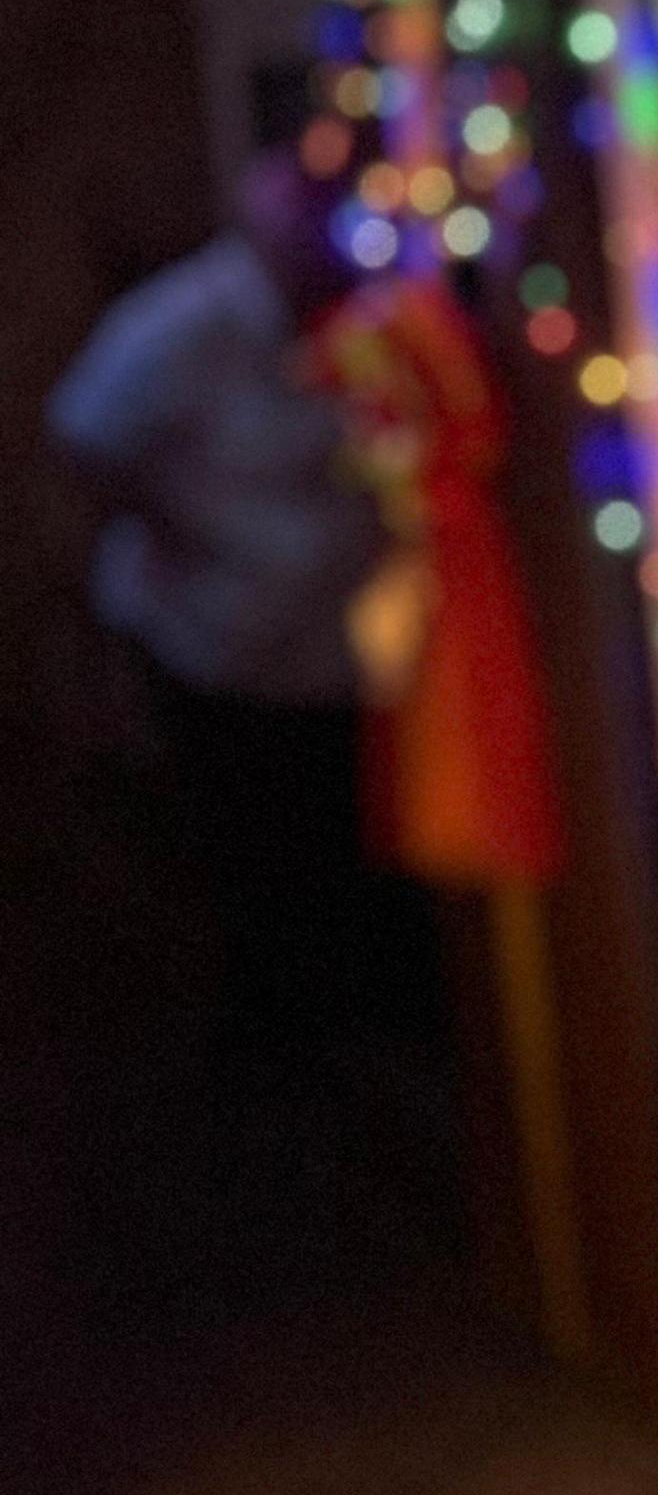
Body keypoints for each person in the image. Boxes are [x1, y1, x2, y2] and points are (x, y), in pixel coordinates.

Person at [49, 140, 393, 1040]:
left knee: (344, 864)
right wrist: (181, 542)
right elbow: (85, 439)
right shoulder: (179, 327)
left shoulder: (367, 320)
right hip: (216, 647)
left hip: (334, 651)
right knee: (255, 877)